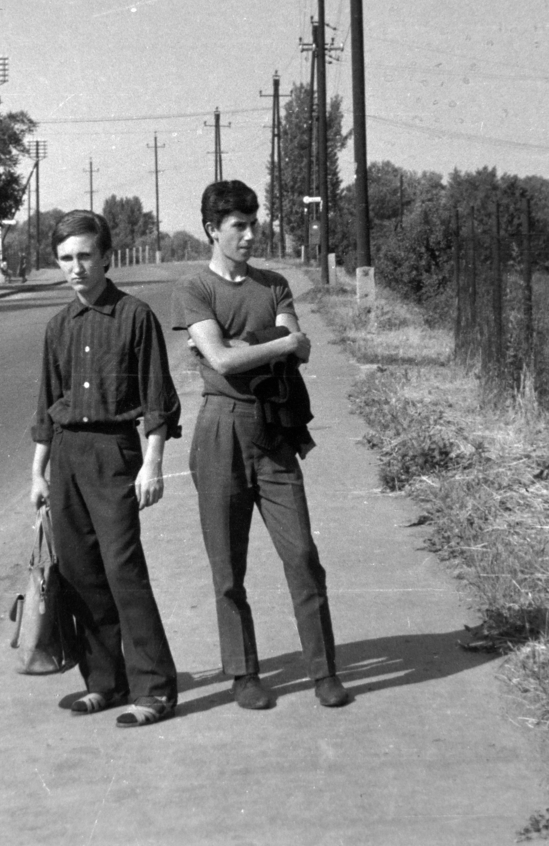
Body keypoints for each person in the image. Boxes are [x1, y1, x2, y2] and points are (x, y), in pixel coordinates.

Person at [171, 180, 351, 710]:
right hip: (220, 432)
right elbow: (229, 361)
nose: (251, 234)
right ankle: (243, 673)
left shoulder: (273, 283)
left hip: (272, 432)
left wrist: (241, 346)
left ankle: (324, 671)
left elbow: (298, 348)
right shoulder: (194, 289)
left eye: (254, 223)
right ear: (212, 229)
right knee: (228, 566)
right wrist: (271, 344)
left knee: (302, 555)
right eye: (239, 226)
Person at [29, 209, 181, 728]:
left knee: (122, 570)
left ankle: (155, 688)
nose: (76, 268)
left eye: (85, 256)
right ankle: (104, 682)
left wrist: (153, 464)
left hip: (116, 453)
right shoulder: (57, 327)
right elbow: (48, 407)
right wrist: (38, 474)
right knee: (80, 574)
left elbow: (158, 400)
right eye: (66, 259)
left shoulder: (136, 317)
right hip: (68, 456)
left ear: (106, 257)